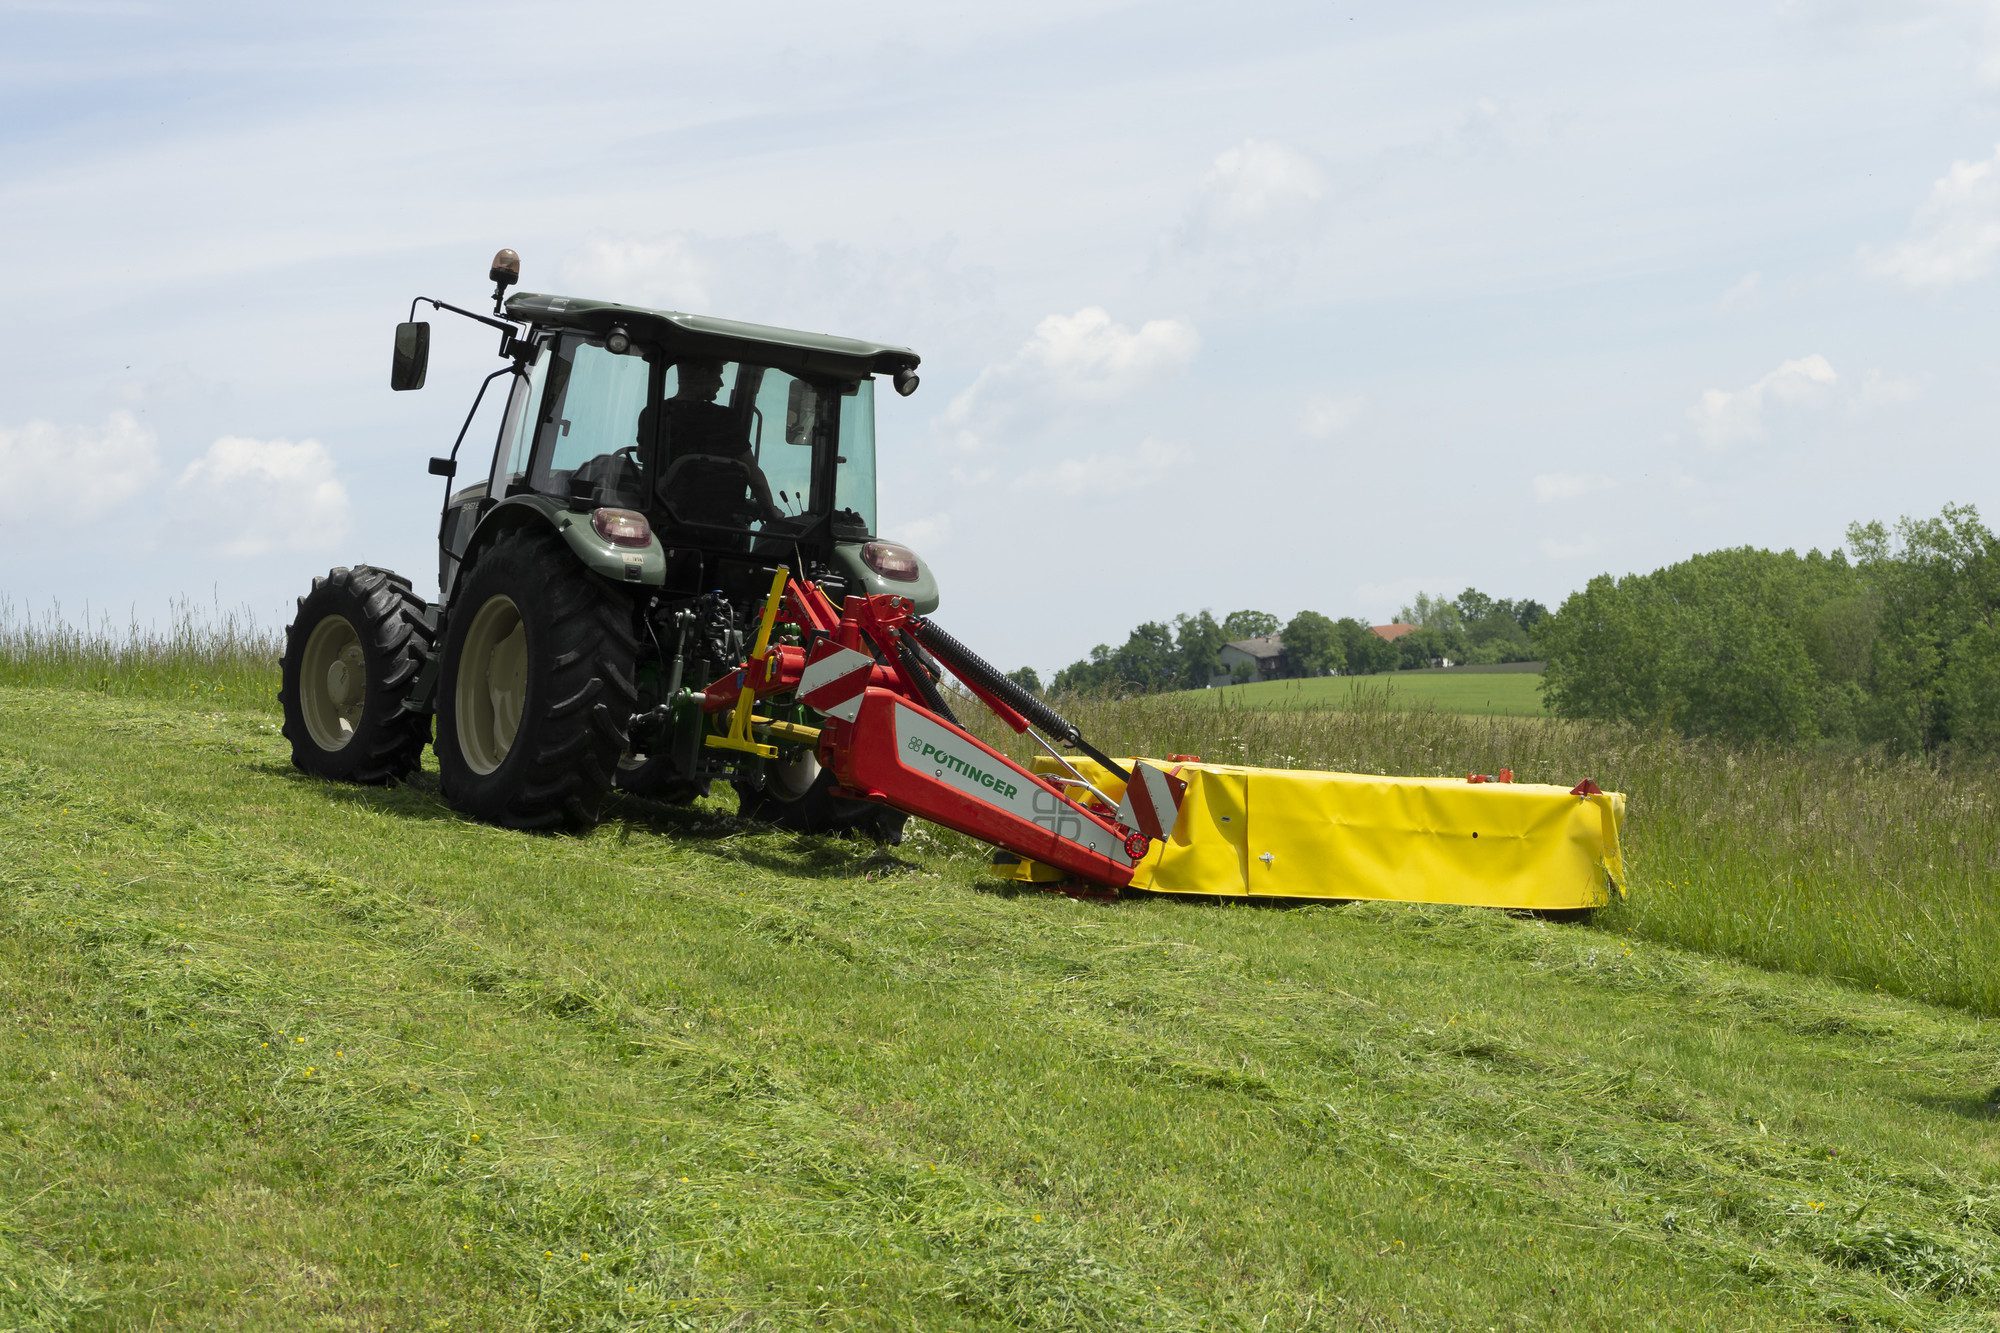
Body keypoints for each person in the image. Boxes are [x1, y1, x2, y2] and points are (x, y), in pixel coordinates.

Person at [657, 357, 779, 524]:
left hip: (664, 517)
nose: (721, 383)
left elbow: (644, 456)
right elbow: (753, 474)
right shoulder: (724, 419)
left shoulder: (653, 412)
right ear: (702, 374)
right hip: (719, 526)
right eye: (718, 376)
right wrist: (770, 511)